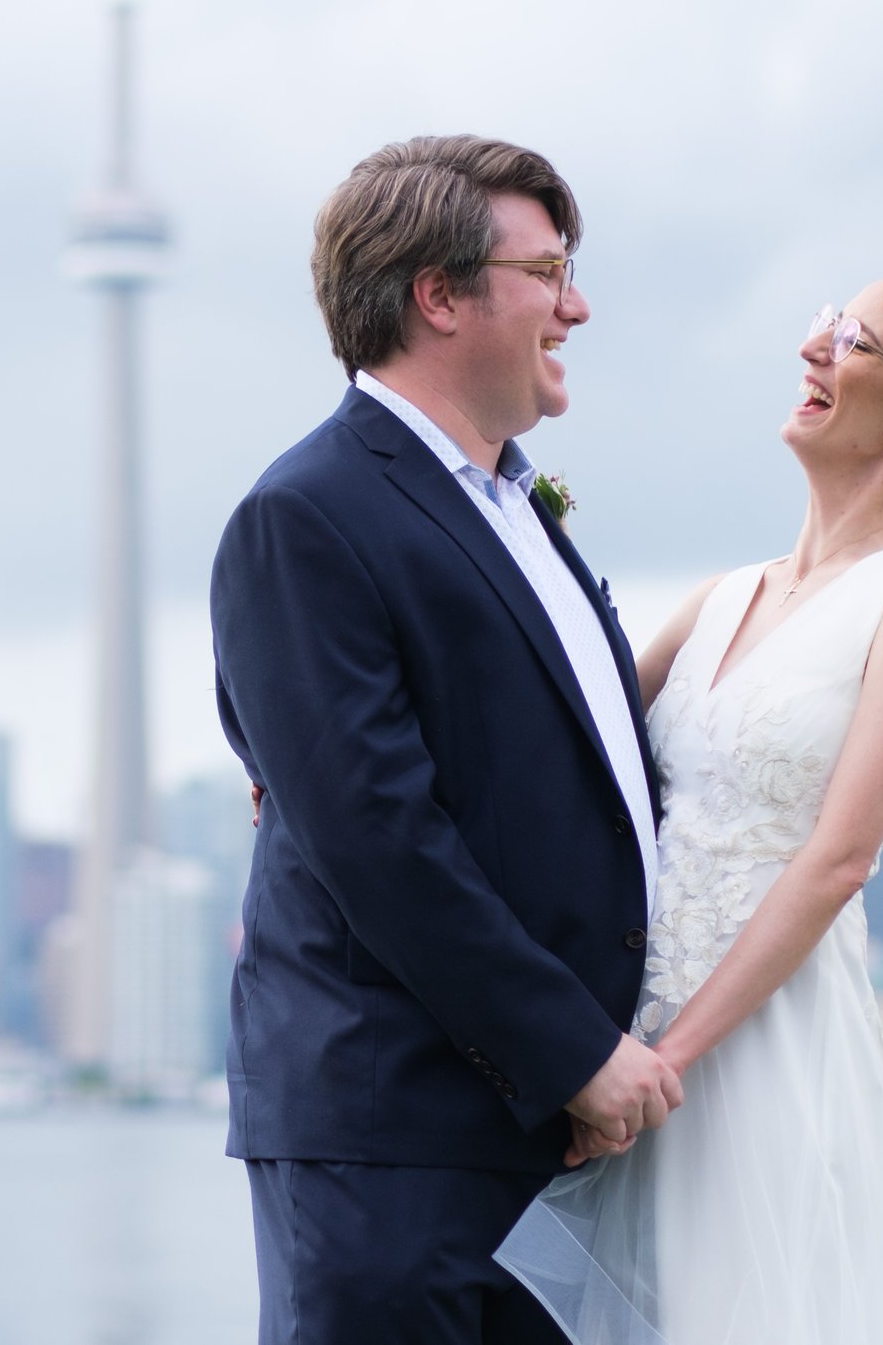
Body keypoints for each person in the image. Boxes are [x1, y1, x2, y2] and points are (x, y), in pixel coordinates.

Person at [492, 263, 883, 1344]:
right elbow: (563, 753)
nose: (814, 346)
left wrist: (669, 1062)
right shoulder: (723, 592)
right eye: (828, 322)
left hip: (749, 1059)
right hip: (620, 1040)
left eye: (856, 342)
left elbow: (839, 858)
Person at [211, 135, 678, 1345]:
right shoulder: (305, 515)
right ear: (437, 294)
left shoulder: (521, 505)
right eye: (548, 270)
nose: (575, 305)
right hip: (396, 1140)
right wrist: (577, 1051)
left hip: (537, 1132)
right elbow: (379, 835)